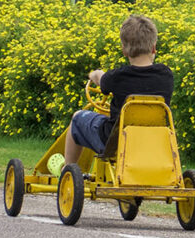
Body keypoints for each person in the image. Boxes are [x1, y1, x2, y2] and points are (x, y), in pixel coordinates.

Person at [63, 14, 173, 167]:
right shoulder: (166, 75)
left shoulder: (117, 77)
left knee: (78, 119)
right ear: (153, 47)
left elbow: (102, 80)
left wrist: (95, 74)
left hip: (117, 142)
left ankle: (67, 171)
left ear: (124, 51)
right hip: (153, 141)